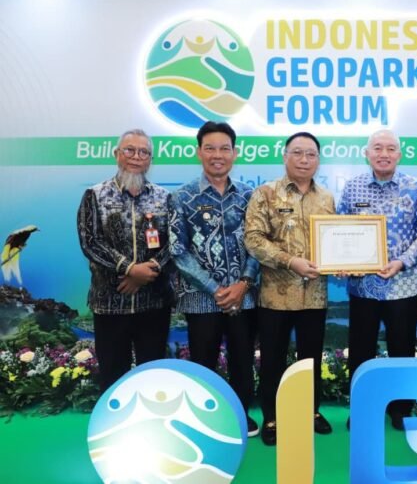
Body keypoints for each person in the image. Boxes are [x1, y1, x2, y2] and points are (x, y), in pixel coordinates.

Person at [337, 129, 417, 430]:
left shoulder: (415, 188)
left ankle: (400, 408)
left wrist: (401, 261)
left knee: (401, 349)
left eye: (391, 148)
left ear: (399, 155)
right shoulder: (353, 188)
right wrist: (342, 261)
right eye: (377, 148)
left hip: (403, 285)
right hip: (363, 287)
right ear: (367, 154)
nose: (384, 154)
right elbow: (339, 231)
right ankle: (363, 407)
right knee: (361, 350)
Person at [168, 121, 261, 438]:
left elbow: (257, 245)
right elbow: (178, 251)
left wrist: (244, 283)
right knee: (203, 362)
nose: (217, 155)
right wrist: (216, 289)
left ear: (235, 153)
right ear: (199, 152)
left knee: (242, 360)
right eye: (210, 148)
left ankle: (241, 415)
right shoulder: (182, 197)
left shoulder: (249, 196)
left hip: (243, 297)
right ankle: (205, 420)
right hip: (201, 299)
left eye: (224, 148)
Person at [245, 131, 335, 446]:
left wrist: (341, 261)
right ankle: (272, 417)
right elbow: (253, 239)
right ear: (285, 156)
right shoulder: (265, 194)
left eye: (311, 154)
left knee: (310, 358)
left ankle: (311, 411)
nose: (304, 160)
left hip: (315, 296)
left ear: (318, 160)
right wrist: (289, 261)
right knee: (273, 359)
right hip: (276, 296)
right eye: (297, 152)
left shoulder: (326, 198)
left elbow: (335, 241)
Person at [77, 128, 172, 392]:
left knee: (152, 376)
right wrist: (129, 268)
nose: (136, 157)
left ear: (150, 159)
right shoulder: (95, 195)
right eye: (130, 150)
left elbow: (174, 243)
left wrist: (146, 272)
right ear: (117, 154)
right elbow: (90, 241)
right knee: (112, 376)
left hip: (154, 303)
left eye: (144, 152)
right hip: (110, 303)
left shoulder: (164, 197)